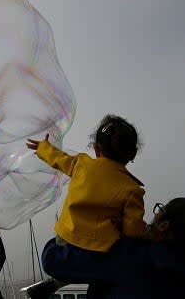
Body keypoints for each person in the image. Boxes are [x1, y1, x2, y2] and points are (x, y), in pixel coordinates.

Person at [24, 114, 147, 298]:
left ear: (97, 149)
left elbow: (58, 158)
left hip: (60, 251)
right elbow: (133, 231)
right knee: (125, 258)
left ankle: (56, 282)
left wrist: (43, 148)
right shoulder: (132, 190)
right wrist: (148, 231)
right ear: (133, 153)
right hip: (100, 255)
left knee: (88, 265)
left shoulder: (82, 164)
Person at [42, 197, 185, 298]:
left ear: (163, 225)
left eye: (160, 211)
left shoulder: (132, 256)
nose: (153, 216)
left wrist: (66, 227)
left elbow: (53, 260)